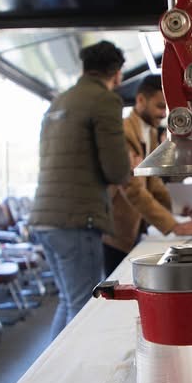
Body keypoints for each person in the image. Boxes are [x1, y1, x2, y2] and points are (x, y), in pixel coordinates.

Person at [30, 40, 132, 338]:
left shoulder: (58, 102)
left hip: (44, 216)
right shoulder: (104, 100)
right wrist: (130, 164)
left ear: (85, 68)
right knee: (83, 306)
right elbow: (116, 170)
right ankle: (70, 369)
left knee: (68, 300)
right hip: (77, 218)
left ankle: (51, 367)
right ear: (117, 74)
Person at [103, 75, 192, 275]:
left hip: (138, 224)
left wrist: (177, 211)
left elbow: (153, 181)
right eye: (159, 106)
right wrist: (173, 225)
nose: (164, 114)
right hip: (117, 228)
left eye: (166, 108)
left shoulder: (151, 133)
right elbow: (132, 188)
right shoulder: (123, 132)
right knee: (117, 282)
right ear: (140, 100)